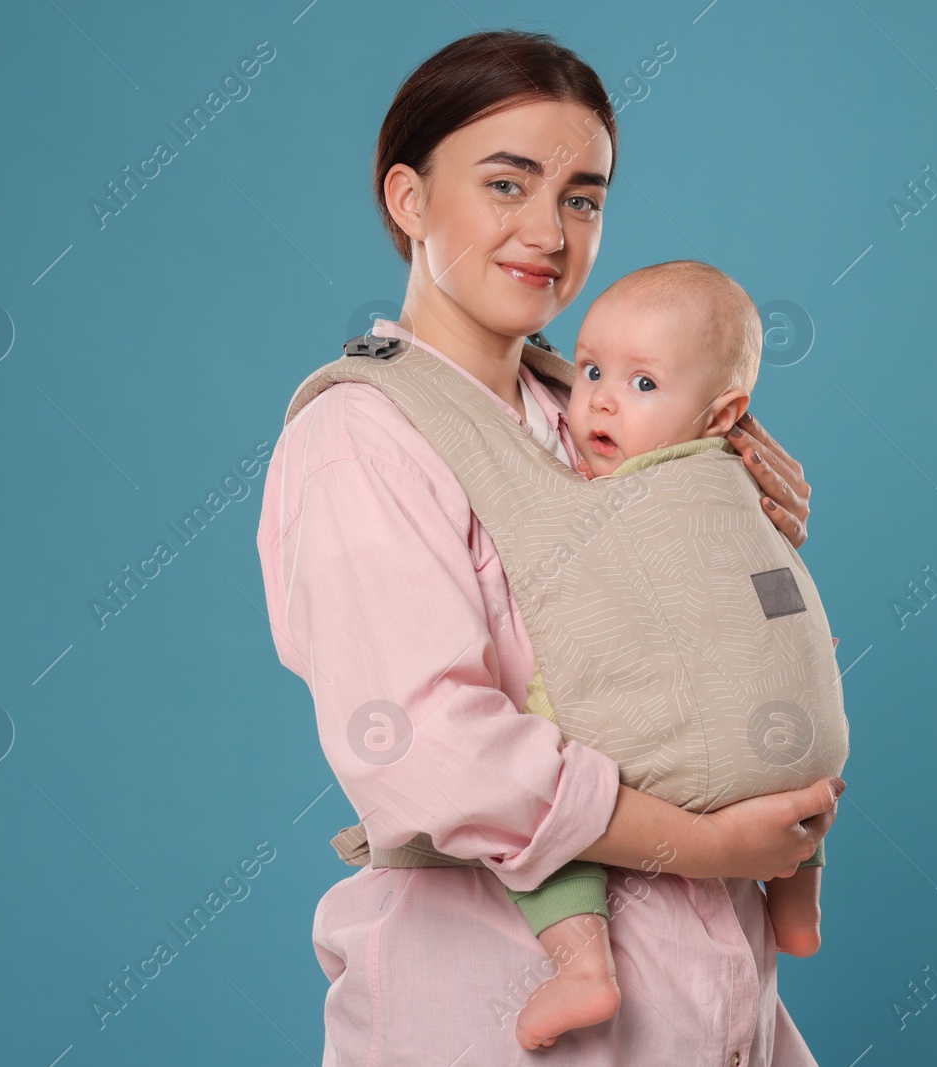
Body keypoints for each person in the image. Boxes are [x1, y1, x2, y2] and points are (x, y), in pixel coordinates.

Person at [257, 30, 838, 1066]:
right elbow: (428, 742)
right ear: (408, 200)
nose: (548, 231)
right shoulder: (360, 437)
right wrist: (710, 845)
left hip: (718, 1000)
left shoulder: (615, 415)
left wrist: (736, 519)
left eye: (581, 196)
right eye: (506, 184)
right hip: (491, 1004)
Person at [504, 260, 834, 1051]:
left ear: (724, 412)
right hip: (800, 744)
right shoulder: (729, 466)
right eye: (590, 371)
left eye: (643, 384)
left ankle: (583, 965)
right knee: (794, 743)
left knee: (546, 769)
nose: (604, 399)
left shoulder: (616, 483)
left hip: (670, 726)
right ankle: (800, 900)